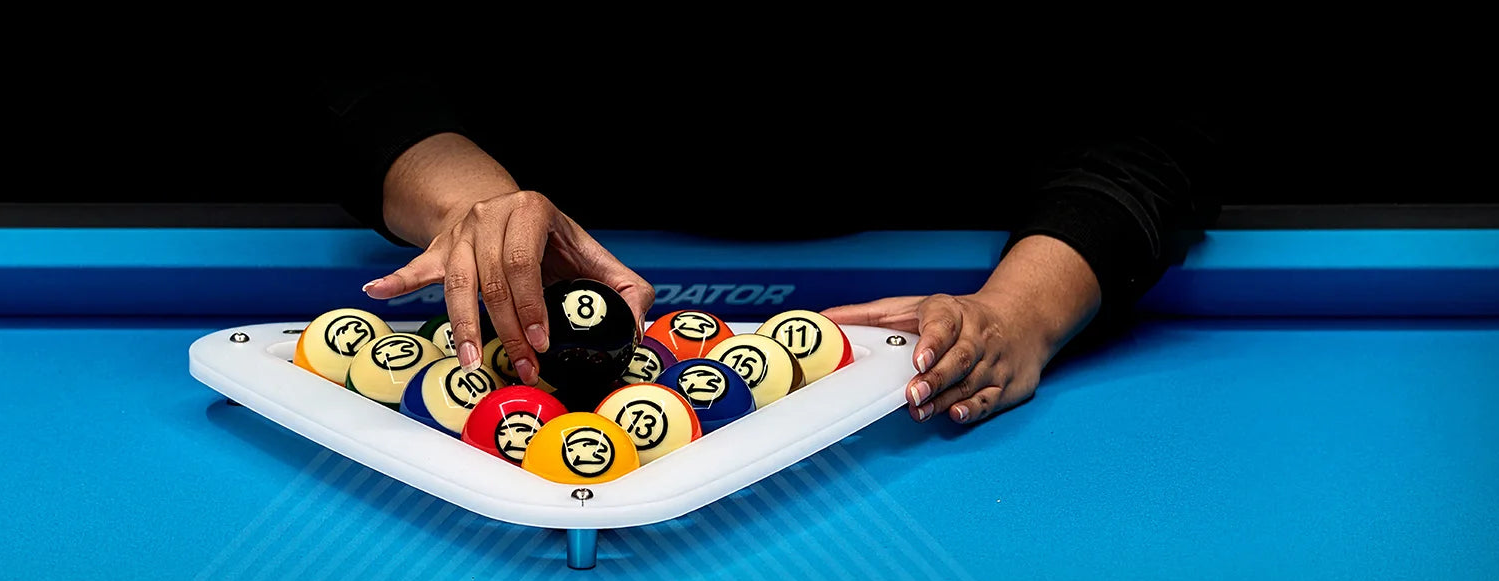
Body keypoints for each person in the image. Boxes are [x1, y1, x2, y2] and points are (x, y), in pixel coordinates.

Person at [323, 74, 1219, 425]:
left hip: (947, 243)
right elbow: (354, 81)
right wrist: (478, 206)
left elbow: (1154, 125)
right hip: (566, 229)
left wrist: (1022, 310)